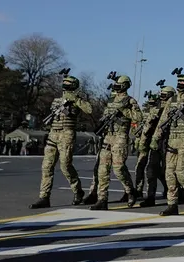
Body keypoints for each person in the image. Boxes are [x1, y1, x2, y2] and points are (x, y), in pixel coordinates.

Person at [30, 73, 92, 209]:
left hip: (66, 134)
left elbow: (89, 109)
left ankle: (77, 191)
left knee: (65, 166)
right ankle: (44, 197)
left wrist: (75, 100)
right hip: (53, 133)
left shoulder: (77, 100)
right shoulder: (57, 101)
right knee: (47, 167)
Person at [152, 73, 184, 216]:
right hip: (172, 140)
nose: (180, 84)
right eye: (179, 82)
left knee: (181, 172)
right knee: (169, 174)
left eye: (182, 82)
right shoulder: (172, 100)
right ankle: (172, 204)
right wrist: (155, 138)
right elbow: (162, 121)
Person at [90, 74, 141, 211]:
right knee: (103, 169)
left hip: (120, 136)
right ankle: (102, 199)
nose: (116, 86)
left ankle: (130, 191)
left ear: (124, 85)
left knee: (118, 168)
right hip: (108, 136)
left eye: (119, 84)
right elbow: (105, 115)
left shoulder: (130, 101)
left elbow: (138, 117)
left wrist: (124, 111)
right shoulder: (111, 100)